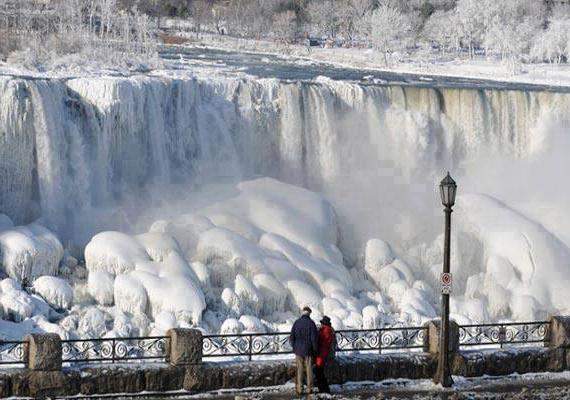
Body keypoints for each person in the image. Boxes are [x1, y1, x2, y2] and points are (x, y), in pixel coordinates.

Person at [289, 306, 318, 395]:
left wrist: (295, 347)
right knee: (309, 369)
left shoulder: (296, 323)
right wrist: (315, 349)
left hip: (298, 350)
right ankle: (310, 388)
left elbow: (291, 337)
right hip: (308, 350)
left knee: (300, 369)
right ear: (309, 313)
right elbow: (314, 338)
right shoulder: (311, 323)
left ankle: (300, 388)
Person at [315, 315, 335, 394]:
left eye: (322, 323)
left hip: (322, 354)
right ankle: (323, 389)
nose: (321, 325)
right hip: (323, 353)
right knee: (320, 372)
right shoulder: (328, 329)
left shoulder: (326, 330)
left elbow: (324, 342)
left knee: (319, 372)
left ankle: (324, 389)